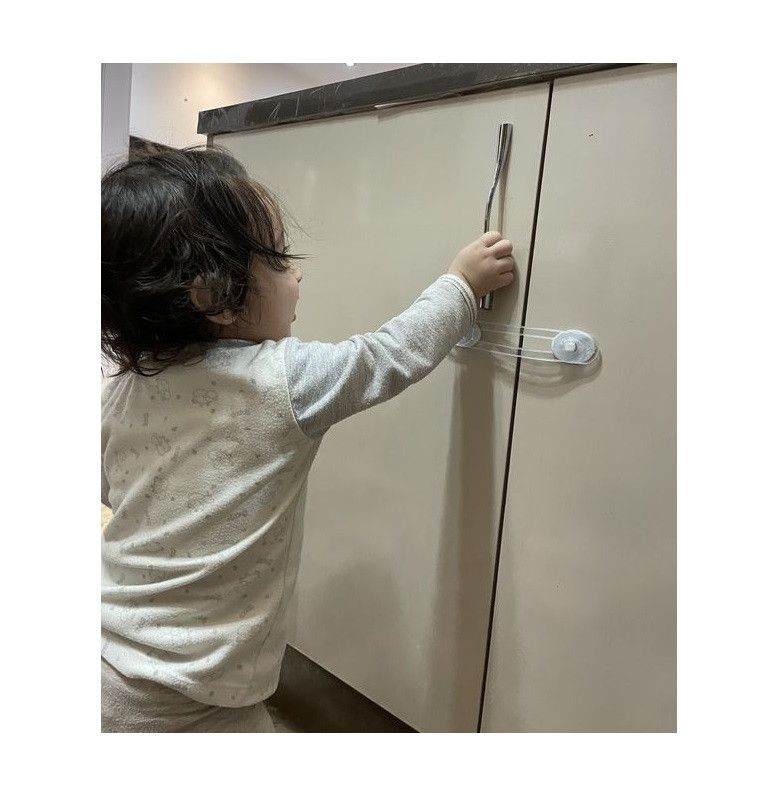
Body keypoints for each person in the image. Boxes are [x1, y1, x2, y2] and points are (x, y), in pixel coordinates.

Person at [101, 145, 515, 732]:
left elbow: (113, 490)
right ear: (213, 297)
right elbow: (391, 353)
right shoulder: (282, 381)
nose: (297, 272)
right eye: (278, 260)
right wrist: (462, 284)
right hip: (197, 697)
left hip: (109, 657)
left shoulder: (123, 387)